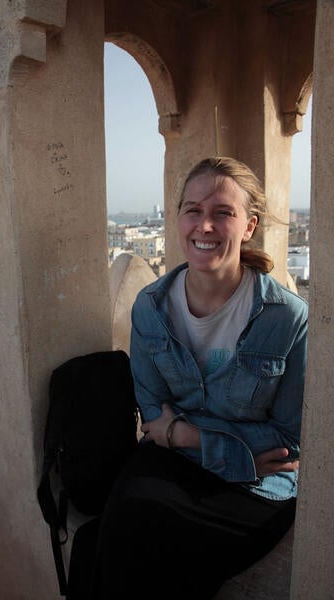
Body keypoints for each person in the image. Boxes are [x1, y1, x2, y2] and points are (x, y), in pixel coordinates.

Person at [86, 156, 307, 600]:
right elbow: (152, 412)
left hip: (255, 486)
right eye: (193, 210)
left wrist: (183, 434)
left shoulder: (286, 318)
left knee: (144, 550)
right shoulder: (150, 307)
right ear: (178, 218)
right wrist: (210, 442)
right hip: (181, 461)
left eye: (222, 212)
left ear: (249, 226)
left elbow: (286, 441)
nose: (204, 226)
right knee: (107, 538)